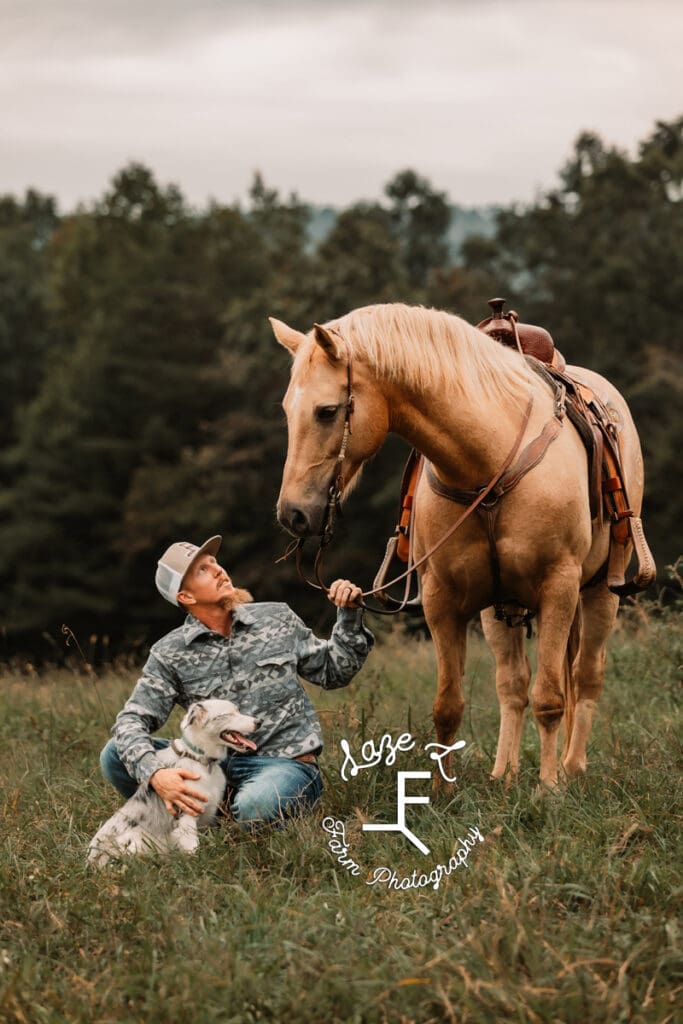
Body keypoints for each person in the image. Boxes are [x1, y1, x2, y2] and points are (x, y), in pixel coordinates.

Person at [99, 534, 373, 826]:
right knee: (114, 755)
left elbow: (335, 673)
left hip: (284, 766)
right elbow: (130, 721)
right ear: (186, 597)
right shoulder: (169, 653)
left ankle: (227, 816)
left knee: (257, 804)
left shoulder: (277, 618)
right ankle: (199, 814)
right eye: (202, 570)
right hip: (211, 767)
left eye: (215, 563)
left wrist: (349, 615)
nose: (218, 570)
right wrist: (156, 774)